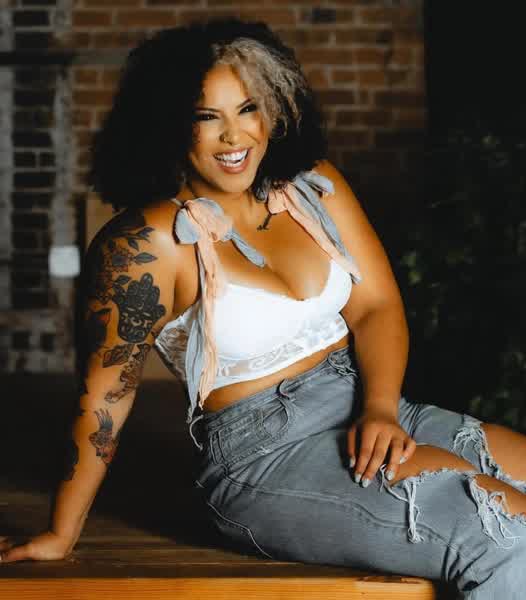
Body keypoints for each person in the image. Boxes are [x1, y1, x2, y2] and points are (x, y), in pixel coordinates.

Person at [1, 17, 526, 598]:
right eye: (207, 116)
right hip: (266, 457)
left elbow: (376, 306)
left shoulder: (311, 186)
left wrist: (380, 409)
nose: (235, 136)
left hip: (368, 403)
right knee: (504, 534)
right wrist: (61, 531)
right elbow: (105, 399)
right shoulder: (145, 245)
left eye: (248, 108)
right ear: (167, 124)